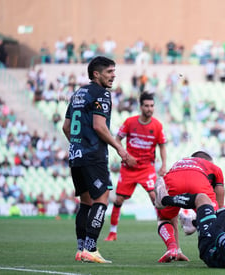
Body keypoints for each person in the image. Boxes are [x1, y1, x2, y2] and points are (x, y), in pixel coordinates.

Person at [62, 56, 132, 263]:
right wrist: (119, 147)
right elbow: (99, 126)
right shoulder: (101, 93)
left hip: (76, 155)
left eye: (114, 71)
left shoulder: (77, 94)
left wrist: (78, 144)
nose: (113, 75)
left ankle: (81, 249)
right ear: (96, 74)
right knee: (101, 199)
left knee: (85, 202)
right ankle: (91, 249)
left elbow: (66, 127)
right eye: (109, 72)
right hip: (93, 156)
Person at [105, 92, 167, 241]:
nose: (149, 109)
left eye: (152, 106)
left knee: (155, 197)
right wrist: (126, 156)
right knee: (119, 200)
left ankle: (164, 229)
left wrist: (164, 164)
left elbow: (162, 146)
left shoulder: (157, 126)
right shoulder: (130, 122)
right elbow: (117, 140)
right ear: (140, 107)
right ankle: (113, 232)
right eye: (146, 106)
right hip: (129, 168)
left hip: (147, 168)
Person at [155, 151, 225, 262]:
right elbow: (219, 190)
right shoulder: (212, 166)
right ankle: (194, 221)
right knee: (213, 218)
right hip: (199, 183)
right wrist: (220, 212)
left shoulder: (179, 163)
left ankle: (173, 249)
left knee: (165, 219)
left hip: (172, 181)